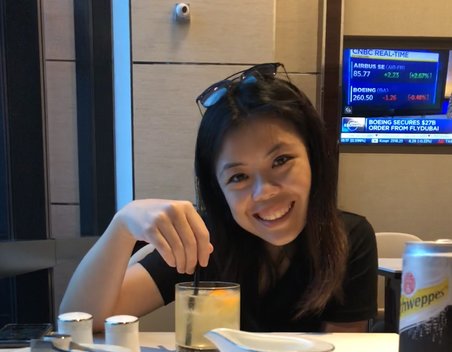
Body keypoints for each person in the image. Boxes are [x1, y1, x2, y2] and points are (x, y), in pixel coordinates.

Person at [60, 63, 377, 333]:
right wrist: (122, 226)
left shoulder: (349, 237)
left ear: (313, 156)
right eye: (238, 177)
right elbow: (81, 321)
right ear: (218, 189)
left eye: (281, 161)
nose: (264, 192)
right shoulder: (202, 240)